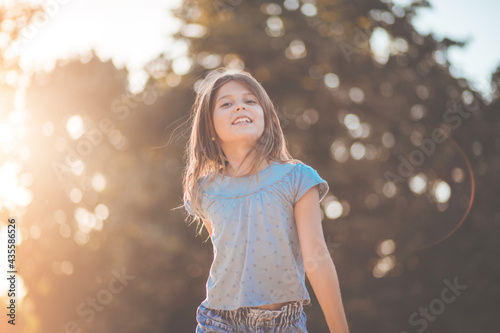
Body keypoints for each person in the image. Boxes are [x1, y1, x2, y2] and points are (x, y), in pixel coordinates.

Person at [182, 67, 349, 333]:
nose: (239, 107)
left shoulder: (298, 178)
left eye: (250, 101)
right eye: (226, 104)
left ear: (266, 118)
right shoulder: (203, 190)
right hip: (219, 323)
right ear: (210, 127)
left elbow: (316, 259)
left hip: (284, 325)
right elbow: (228, 257)